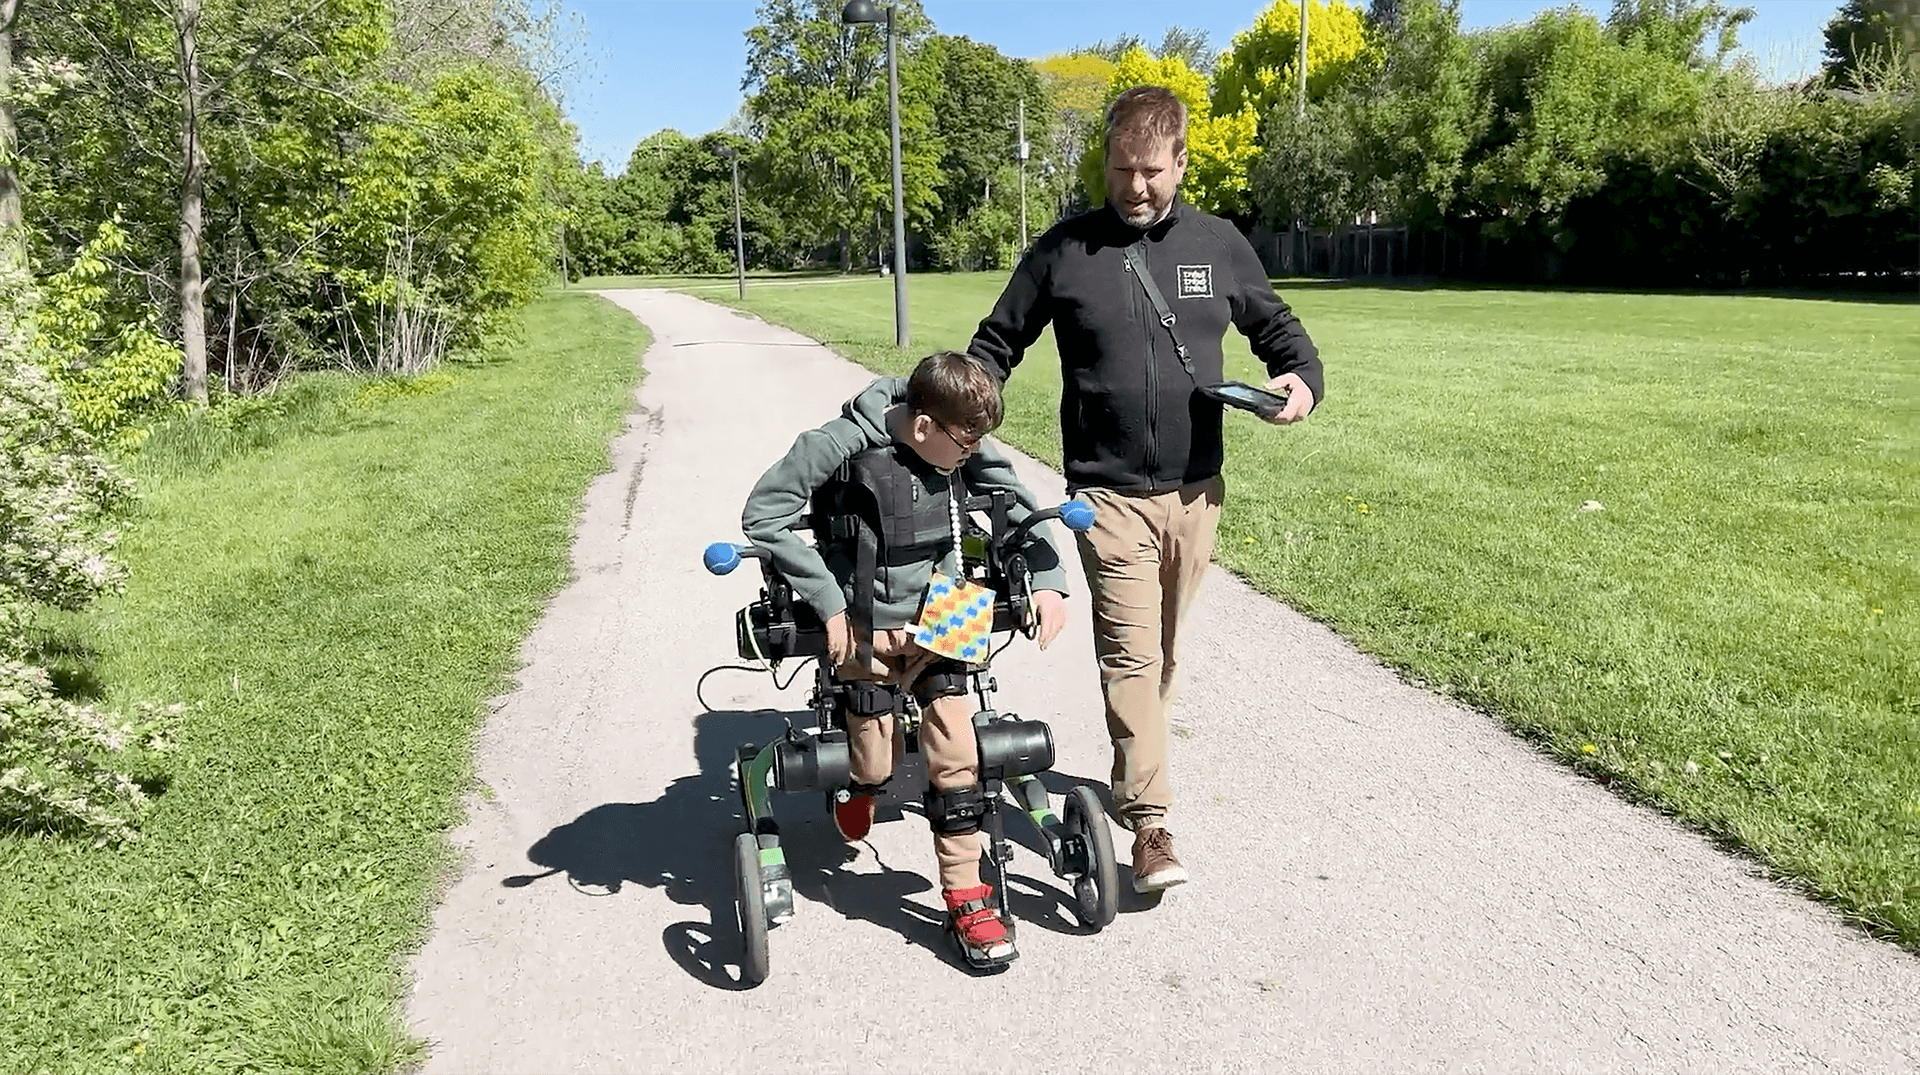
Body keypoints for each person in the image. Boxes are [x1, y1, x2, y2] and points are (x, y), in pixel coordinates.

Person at [965, 85, 1326, 895]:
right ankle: (1150, 823)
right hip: (1107, 496)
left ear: (1181, 163)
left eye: (1151, 172)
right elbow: (996, 344)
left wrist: (1299, 383)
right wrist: (961, 405)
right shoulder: (1063, 251)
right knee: (1131, 653)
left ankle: (1138, 757)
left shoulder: (1218, 243)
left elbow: (1279, 331)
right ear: (1107, 160)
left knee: (1161, 653)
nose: (1134, 187)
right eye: (1122, 169)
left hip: (1197, 495)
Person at [741, 350, 1071, 968]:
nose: (975, 452)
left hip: (949, 608)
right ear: (923, 427)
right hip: (863, 621)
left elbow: (1017, 501)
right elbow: (764, 515)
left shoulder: (960, 441)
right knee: (874, 759)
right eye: (966, 442)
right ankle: (861, 789)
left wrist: (1049, 580)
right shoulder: (835, 444)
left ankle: (967, 901)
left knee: (958, 755)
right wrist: (827, 601)